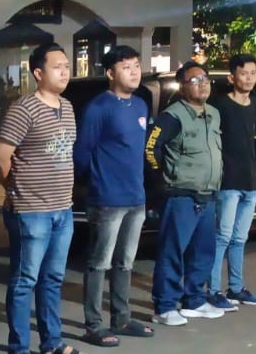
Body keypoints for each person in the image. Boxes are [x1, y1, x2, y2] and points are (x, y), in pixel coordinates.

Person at [0, 43, 79, 354]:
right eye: (57, 67)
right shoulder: (23, 109)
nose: (65, 72)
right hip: (31, 210)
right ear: (38, 73)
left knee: (52, 279)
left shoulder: (67, 107)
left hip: (63, 209)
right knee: (24, 280)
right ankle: (19, 347)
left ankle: (52, 343)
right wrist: (14, 189)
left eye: (67, 66)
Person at [71, 45, 155, 347]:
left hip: (136, 197)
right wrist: (92, 183)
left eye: (136, 66)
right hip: (107, 198)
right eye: (126, 67)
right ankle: (93, 324)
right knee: (99, 263)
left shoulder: (141, 105)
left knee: (125, 262)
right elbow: (82, 152)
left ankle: (122, 318)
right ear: (110, 73)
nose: (134, 72)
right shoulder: (98, 108)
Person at [144, 61, 226, 327]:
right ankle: (165, 306)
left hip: (208, 195)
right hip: (181, 196)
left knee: (203, 252)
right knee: (172, 252)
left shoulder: (213, 113)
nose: (202, 84)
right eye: (194, 80)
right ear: (182, 87)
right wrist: (163, 179)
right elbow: (151, 149)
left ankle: (194, 300)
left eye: (205, 79)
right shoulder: (173, 116)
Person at [206, 54, 256, 309]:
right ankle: (212, 290)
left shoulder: (254, 104)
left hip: (250, 182)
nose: (249, 78)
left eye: (253, 73)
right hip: (228, 181)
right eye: (244, 73)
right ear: (232, 77)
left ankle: (236, 288)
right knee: (222, 236)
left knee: (240, 239)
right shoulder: (221, 105)